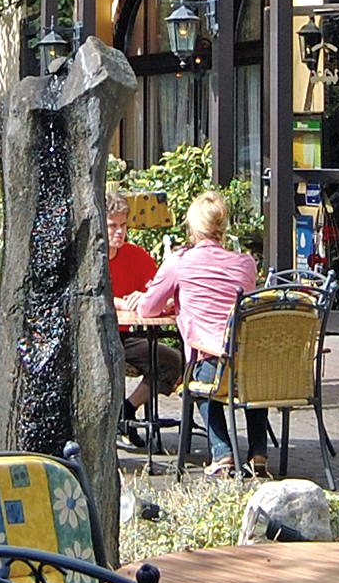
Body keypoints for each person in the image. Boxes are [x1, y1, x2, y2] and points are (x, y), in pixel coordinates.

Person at [132, 190, 266, 475]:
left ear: (193, 226)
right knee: (250, 376)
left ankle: (222, 451)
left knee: (199, 378)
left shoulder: (180, 262)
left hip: (211, 362)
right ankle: (258, 453)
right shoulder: (246, 263)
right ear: (223, 226)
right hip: (250, 363)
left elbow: (147, 308)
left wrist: (175, 301)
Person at [106, 190, 181, 424]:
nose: (120, 231)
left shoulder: (136, 256)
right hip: (98, 338)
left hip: (128, 337)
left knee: (173, 361)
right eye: (112, 226)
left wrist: (146, 297)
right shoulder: (91, 260)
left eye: (123, 225)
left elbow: (160, 292)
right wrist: (117, 302)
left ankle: (127, 409)